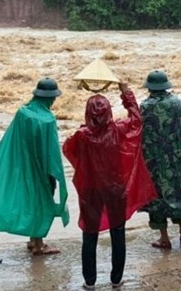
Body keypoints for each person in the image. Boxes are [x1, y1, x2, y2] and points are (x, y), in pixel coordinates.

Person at [63, 82, 157, 290]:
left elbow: (68, 150)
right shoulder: (119, 130)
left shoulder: (81, 135)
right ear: (109, 112)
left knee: (89, 234)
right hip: (115, 188)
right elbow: (137, 120)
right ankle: (116, 279)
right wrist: (126, 94)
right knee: (118, 231)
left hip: (90, 190)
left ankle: (90, 281)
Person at [0, 78, 69, 256]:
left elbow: (11, 140)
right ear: (50, 98)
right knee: (41, 202)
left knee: (30, 201)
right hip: (40, 168)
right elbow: (51, 151)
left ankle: (33, 240)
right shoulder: (48, 119)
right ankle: (39, 245)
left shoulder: (22, 113)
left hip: (21, 167)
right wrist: (55, 174)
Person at [140, 71, 181, 249]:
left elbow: (139, 135)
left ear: (150, 88)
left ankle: (164, 238)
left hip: (155, 162)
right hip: (177, 159)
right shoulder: (178, 104)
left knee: (157, 198)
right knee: (178, 194)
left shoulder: (146, 107)